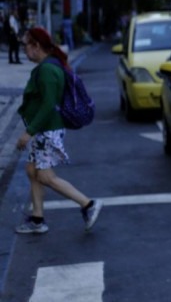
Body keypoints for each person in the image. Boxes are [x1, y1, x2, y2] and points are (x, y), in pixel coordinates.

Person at [15, 27, 103, 234]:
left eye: (26, 45)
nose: (24, 50)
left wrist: (29, 132)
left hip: (47, 130)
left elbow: (49, 105)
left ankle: (88, 204)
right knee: (32, 171)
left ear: (36, 46)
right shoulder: (49, 66)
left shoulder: (47, 70)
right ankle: (37, 220)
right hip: (45, 130)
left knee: (45, 176)